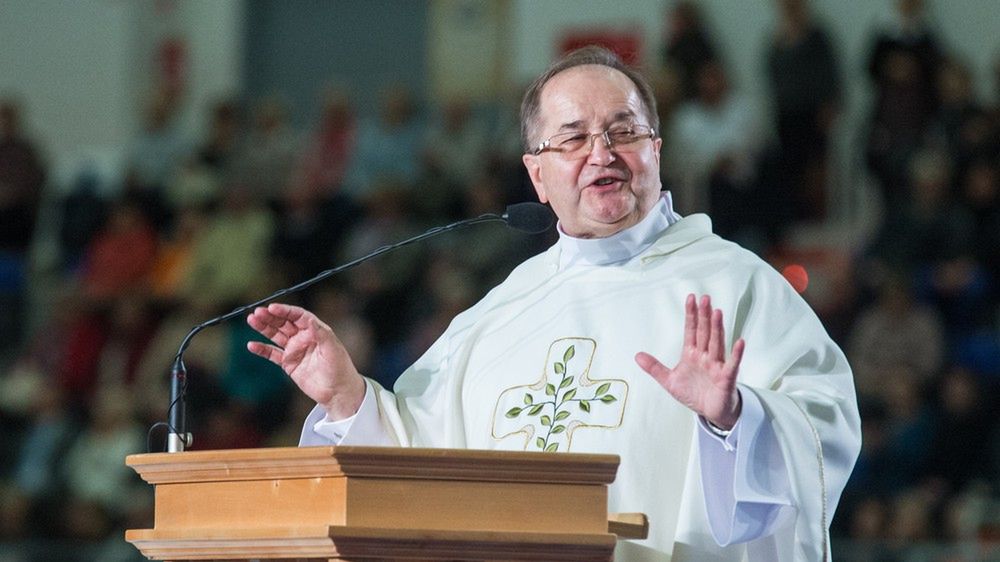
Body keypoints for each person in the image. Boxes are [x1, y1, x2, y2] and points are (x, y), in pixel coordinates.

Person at [247, 46, 860, 561]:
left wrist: (732, 421)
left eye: (624, 132)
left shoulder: (736, 286)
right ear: (536, 176)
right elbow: (417, 458)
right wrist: (347, 396)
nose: (602, 153)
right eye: (573, 139)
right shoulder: (497, 315)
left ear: (656, 150)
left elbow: (823, 427)